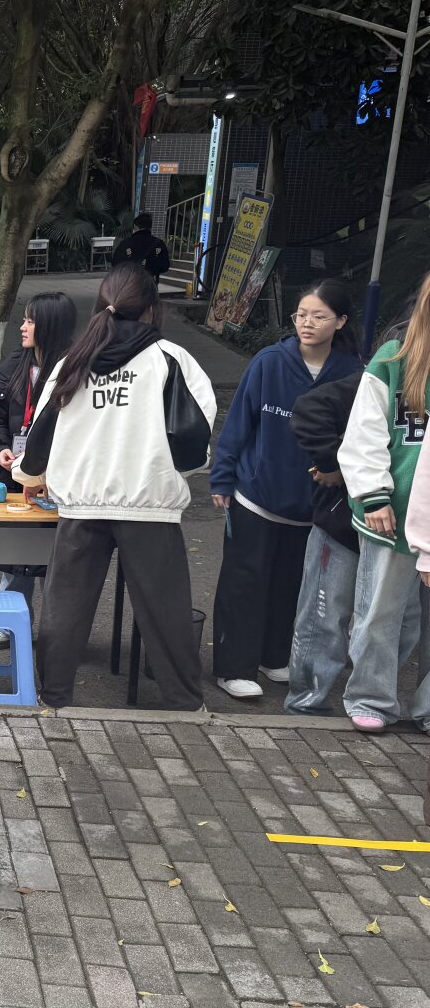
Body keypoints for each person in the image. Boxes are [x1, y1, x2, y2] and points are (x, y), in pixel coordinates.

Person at [14, 263, 216, 711]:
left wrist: (31, 478)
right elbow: (194, 442)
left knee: (66, 607)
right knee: (165, 611)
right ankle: (186, 704)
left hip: (81, 502)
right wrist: (167, 473)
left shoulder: (73, 361)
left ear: (101, 304)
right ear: (152, 308)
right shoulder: (170, 359)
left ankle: (54, 699)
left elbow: (41, 432)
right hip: (149, 503)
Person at [209, 279, 363, 700]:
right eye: (301, 315)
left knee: (291, 585)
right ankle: (233, 667)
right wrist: (222, 477)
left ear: (340, 321)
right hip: (255, 496)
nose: (306, 323)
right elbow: (239, 422)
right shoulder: (269, 362)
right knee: (244, 584)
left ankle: (273, 656)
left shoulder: (352, 373)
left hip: (311, 506)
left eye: (318, 317)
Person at [285, 301, 421, 717]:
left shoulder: (349, 365)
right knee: (328, 614)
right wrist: (336, 468)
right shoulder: (383, 369)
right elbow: (310, 412)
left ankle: (370, 691)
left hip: (407, 521)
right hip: (349, 517)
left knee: (402, 620)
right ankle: (307, 702)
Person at [338, 273, 430, 733]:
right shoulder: (394, 357)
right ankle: (370, 696)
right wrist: (374, 495)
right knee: (381, 613)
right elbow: (364, 432)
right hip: (390, 512)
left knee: (413, 621)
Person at [0, 291, 77, 645]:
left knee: (56, 558)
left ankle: (58, 632)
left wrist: (48, 470)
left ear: (50, 325)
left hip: (57, 482)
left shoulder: (75, 369)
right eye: (23, 320)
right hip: (14, 477)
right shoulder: (12, 365)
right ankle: (9, 624)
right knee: (15, 553)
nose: (22, 327)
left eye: (30, 321)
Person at [112, 213, 170, 278]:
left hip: (129, 280)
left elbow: (115, 263)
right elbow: (165, 266)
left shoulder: (126, 243)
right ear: (150, 228)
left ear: (135, 226)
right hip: (150, 281)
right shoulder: (159, 244)